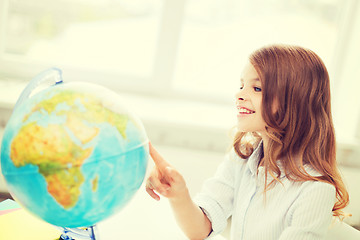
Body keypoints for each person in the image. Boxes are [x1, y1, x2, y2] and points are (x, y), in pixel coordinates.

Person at [145, 44, 350, 240]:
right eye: (242, 85)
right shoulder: (242, 158)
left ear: (294, 102)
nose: (239, 94)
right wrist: (179, 194)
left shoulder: (315, 190)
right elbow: (199, 230)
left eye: (257, 88)